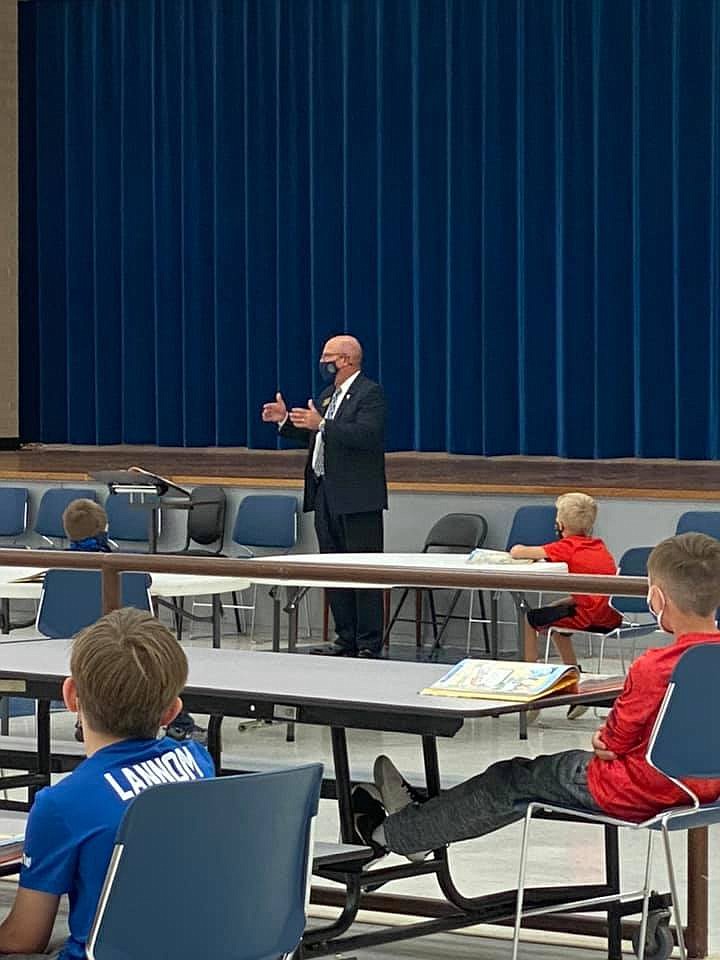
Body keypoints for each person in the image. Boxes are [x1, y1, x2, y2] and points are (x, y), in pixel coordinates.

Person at [353, 532, 720, 862]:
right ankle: (419, 821)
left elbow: (614, 741)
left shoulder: (654, 666)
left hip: (635, 790)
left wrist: (605, 740)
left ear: (656, 596)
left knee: (509, 779)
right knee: (529, 775)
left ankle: (395, 835)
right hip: (706, 789)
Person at [0, 608, 214, 960]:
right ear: (173, 711)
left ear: (71, 696)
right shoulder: (197, 762)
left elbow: (24, 939)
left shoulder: (62, 805)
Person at [262, 334, 387, 657]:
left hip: (358, 498)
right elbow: (313, 433)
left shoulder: (369, 393)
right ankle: (345, 637)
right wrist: (286, 420)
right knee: (332, 568)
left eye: (327, 357)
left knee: (363, 571)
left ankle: (368, 642)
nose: (323, 363)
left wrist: (324, 426)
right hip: (326, 493)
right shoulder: (328, 394)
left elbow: (366, 435)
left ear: (345, 360)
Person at [62, 499, 200, 741]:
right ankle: (181, 723)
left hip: (72, 638)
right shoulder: (124, 568)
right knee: (149, 664)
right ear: (105, 529)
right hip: (120, 640)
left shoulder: (57, 568)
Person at [510, 492, 621, 715]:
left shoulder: (567, 547)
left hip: (588, 616)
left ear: (559, 524)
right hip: (611, 614)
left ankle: (531, 692)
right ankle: (574, 686)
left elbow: (518, 552)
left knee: (530, 619)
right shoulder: (599, 546)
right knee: (559, 628)